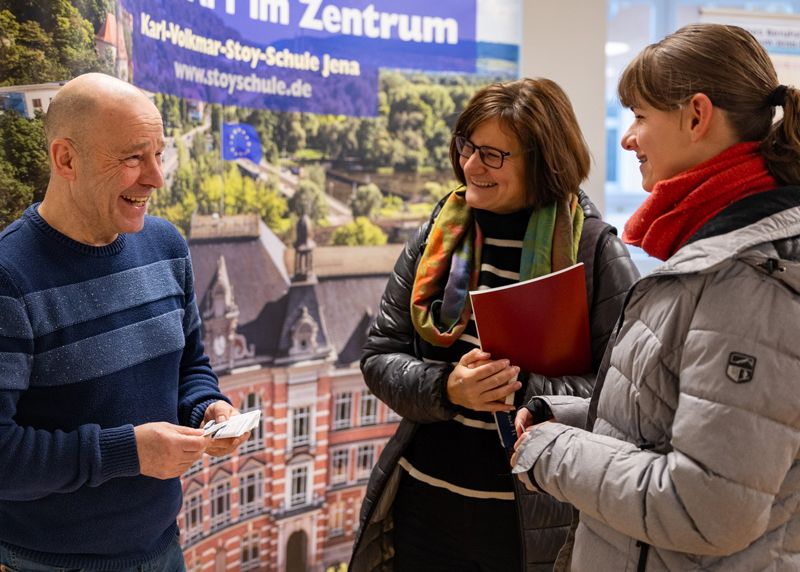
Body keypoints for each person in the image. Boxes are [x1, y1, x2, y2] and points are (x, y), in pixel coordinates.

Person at [513, 23, 800, 571]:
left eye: (641, 116)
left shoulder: (749, 279)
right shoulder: (714, 257)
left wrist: (547, 452)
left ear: (697, 116)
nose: (628, 138)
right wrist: (567, 419)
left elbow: (706, 508)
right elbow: (677, 427)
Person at [349, 77, 639, 572]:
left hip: (529, 528)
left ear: (544, 161)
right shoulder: (438, 232)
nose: (469, 165)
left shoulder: (594, 250)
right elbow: (379, 356)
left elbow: (625, 396)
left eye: (492, 155)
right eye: (466, 146)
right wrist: (448, 387)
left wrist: (525, 389)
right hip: (422, 511)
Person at [0, 73, 248, 570]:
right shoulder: (9, 278)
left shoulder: (166, 246)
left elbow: (190, 365)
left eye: (158, 154)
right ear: (66, 159)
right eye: (134, 157)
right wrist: (128, 452)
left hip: (162, 547)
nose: (156, 177)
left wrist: (207, 407)